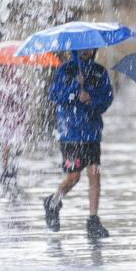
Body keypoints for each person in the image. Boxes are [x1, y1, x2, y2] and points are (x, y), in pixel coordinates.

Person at [43, 48, 114, 239]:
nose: (87, 52)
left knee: (94, 172)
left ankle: (93, 220)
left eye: (90, 48)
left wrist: (91, 100)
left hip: (92, 133)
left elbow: (107, 98)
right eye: (83, 49)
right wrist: (75, 89)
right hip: (70, 134)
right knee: (73, 176)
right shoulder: (65, 70)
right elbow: (55, 95)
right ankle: (53, 202)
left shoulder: (99, 71)